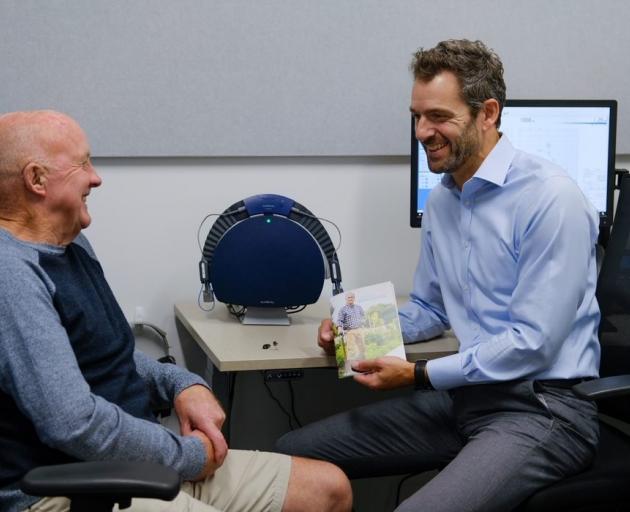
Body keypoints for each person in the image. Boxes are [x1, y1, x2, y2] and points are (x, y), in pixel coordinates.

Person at [276, 39, 601, 512]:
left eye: (439, 117)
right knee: (288, 458)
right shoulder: (446, 198)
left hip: (542, 411)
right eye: (416, 116)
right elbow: (430, 309)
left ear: (487, 113)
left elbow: (533, 342)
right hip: (466, 400)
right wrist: (353, 331)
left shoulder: (552, 199)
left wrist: (420, 374)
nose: (422, 131)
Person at [0, 110, 352, 512]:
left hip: (137, 469)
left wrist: (182, 384)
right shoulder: (12, 275)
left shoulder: (72, 245)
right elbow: (74, 424)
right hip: (62, 491)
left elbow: (109, 357)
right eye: (82, 163)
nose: (95, 177)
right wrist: (189, 457)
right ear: (36, 179)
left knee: (329, 489)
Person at [335, 292, 366, 360]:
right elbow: (340, 320)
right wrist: (339, 328)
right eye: (349, 297)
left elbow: (363, 316)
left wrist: (363, 324)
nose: (350, 299)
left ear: (354, 298)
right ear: (346, 299)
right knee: (352, 349)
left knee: (362, 347)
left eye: (352, 297)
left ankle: (363, 361)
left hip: (359, 330)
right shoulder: (343, 309)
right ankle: (352, 366)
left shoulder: (359, 307)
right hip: (349, 331)